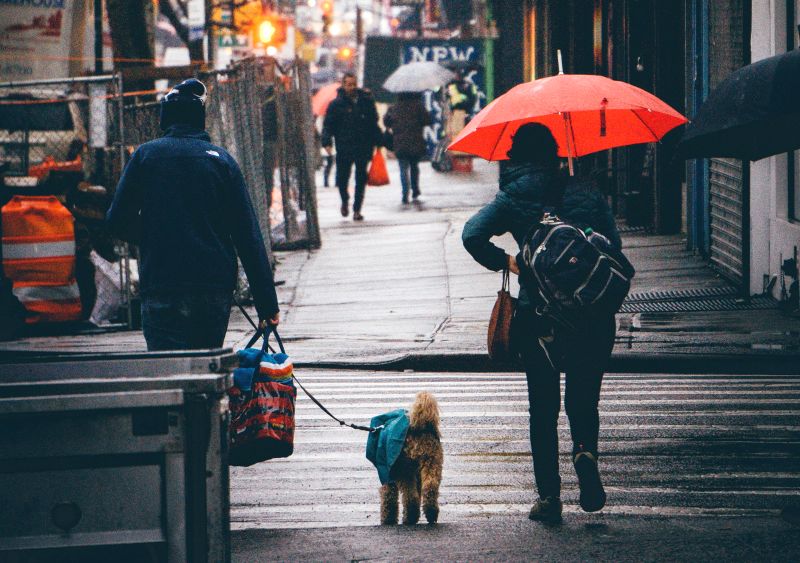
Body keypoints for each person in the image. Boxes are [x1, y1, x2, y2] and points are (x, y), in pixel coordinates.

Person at [461, 123, 620, 523]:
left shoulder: (516, 195)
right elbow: (613, 249)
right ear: (555, 150)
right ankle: (585, 452)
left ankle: (549, 497)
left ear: (517, 155)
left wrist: (510, 261)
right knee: (584, 401)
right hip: (592, 313)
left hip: (540, 315)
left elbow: (472, 235)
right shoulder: (586, 190)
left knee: (543, 408)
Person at [106, 78, 280, 351]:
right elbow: (248, 237)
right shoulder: (221, 161)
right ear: (200, 119)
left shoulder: (145, 157)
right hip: (212, 287)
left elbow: (116, 220)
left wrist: (152, 236)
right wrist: (266, 304)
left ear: (165, 119)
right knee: (207, 367)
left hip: (162, 283)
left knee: (168, 371)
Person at [321, 72, 382, 221]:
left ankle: (357, 209)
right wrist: (327, 142)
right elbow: (328, 124)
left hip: (363, 146)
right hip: (344, 146)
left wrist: (379, 141)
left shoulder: (365, 101)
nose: (352, 87)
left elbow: (373, 122)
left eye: (354, 84)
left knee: (361, 179)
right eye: (348, 84)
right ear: (343, 85)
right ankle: (344, 201)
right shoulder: (336, 104)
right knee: (342, 178)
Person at [384, 92, 433, 204]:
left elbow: (386, 122)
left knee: (403, 168)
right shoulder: (418, 106)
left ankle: (405, 193)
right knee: (414, 166)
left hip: (400, 143)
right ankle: (415, 189)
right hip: (415, 142)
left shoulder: (394, 108)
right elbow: (428, 121)